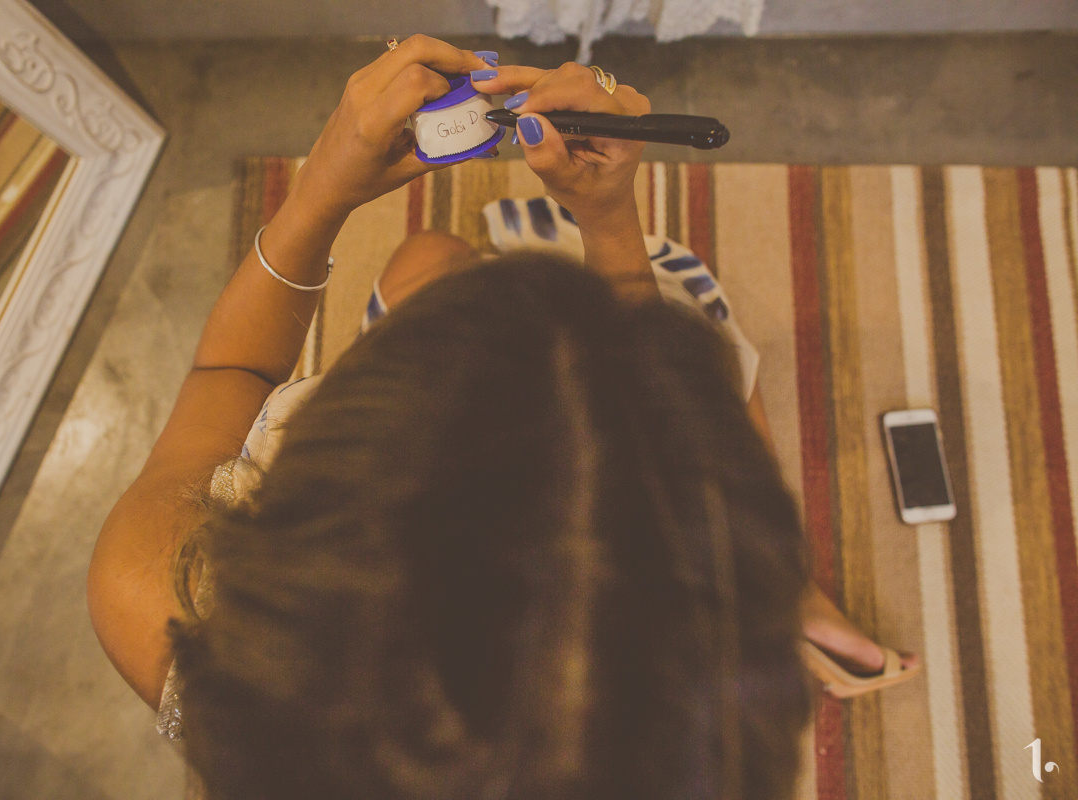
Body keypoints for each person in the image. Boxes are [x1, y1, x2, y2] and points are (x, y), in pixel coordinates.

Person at [87, 36, 916, 800]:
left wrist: (321, 190)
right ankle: (795, 593)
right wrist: (609, 220)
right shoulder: (694, 710)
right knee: (686, 320)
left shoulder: (155, 597)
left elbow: (230, 373)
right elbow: (662, 419)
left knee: (426, 258)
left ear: (325, 463)